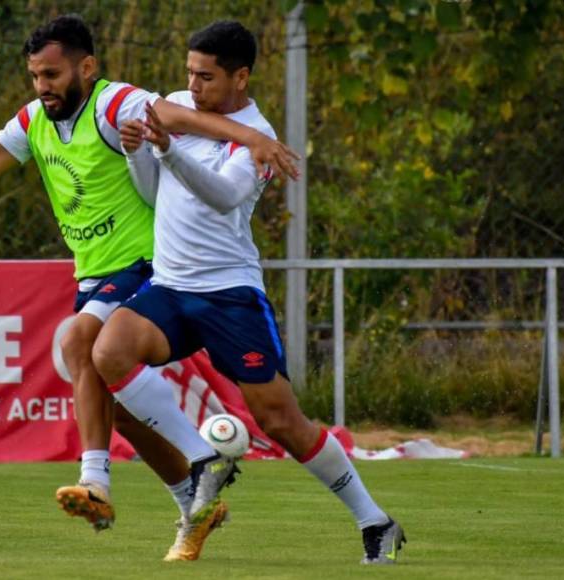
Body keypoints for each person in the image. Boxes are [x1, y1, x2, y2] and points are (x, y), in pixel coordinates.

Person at [0, 14, 298, 546]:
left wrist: (251, 136)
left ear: (86, 67)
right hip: (95, 274)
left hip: (145, 263)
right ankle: (193, 497)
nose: (42, 86)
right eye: (35, 76)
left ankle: (101, 479)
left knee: (76, 340)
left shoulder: (112, 102)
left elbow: (174, 115)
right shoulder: (33, 120)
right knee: (121, 410)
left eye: (52, 74)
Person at [92, 20, 407, 565]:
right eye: (189, 73)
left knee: (281, 421)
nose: (193, 87)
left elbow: (222, 196)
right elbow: (152, 193)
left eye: (206, 77)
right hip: (170, 286)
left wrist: (167, 152)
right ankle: (203, 459)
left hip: (229, 294)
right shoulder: (176, 108)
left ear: (240, 77)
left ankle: (375, 521)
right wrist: (136, 152)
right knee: (108, 351)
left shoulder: (258, 134)